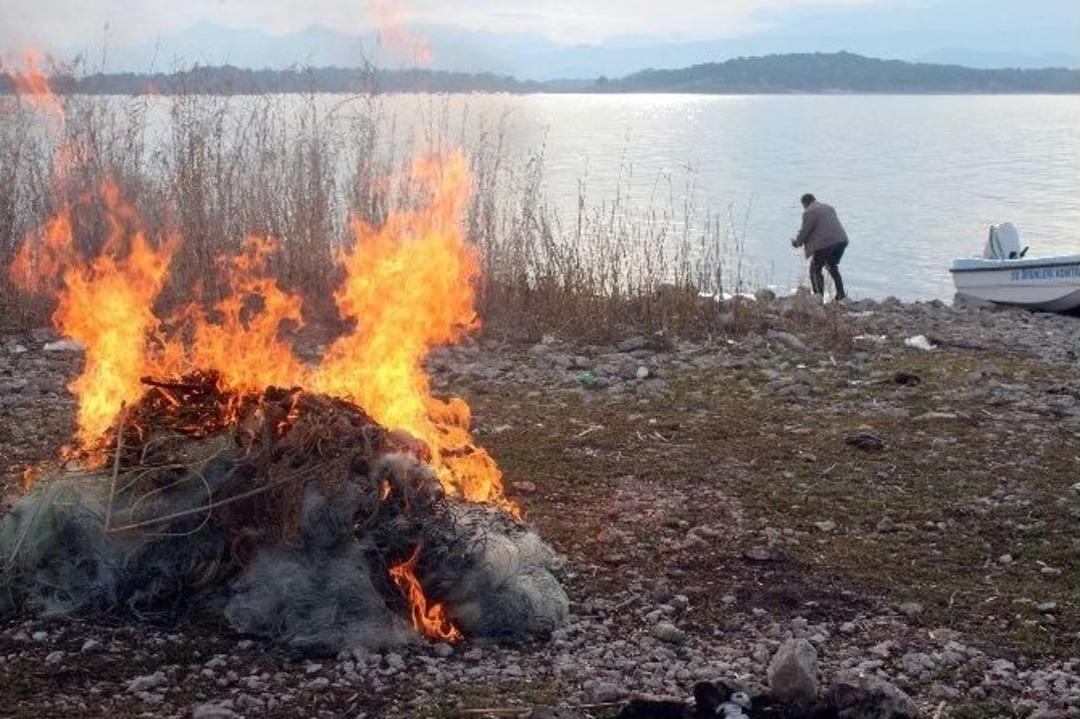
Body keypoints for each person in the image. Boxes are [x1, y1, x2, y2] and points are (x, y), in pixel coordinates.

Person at [792, 193, 849, 301]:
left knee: (815, 269)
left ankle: (818, 298)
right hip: (842, 241)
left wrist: (797, 243)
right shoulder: (829, 208)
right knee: (831, 265)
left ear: (804, 203)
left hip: (826, 244)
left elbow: (805, 231)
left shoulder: (809, 212)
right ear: (814, 200)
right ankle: (841, 294)